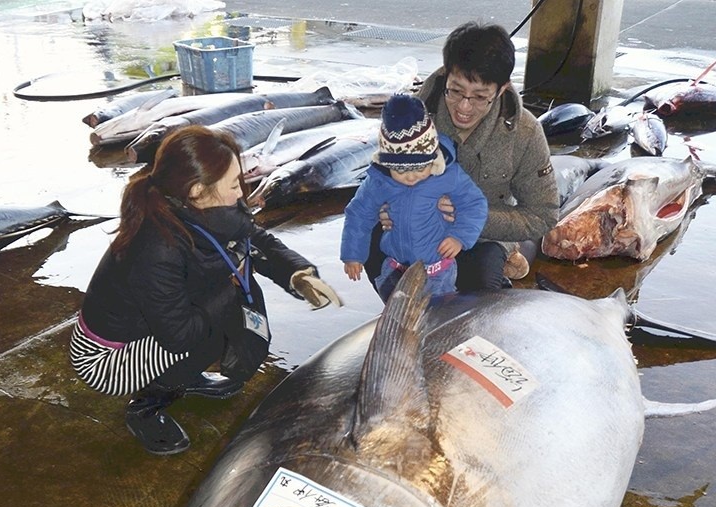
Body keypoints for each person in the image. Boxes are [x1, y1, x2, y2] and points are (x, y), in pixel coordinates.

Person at [69, 125, 341, 456]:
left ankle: (184, 376)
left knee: (229, 307)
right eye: (232, 184)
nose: (241, 193)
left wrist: (297, 274)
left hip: (155, 326)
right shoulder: (156, 247)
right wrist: (230, 289)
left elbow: (255, 238)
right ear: (198, 190)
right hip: (106, 357)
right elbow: (179, 336)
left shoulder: (201, 208)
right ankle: (146, 407)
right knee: (210, 332)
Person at [366, 22, 559, 292]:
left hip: (481, 238)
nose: (464, 107)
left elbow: (543, 216)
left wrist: (470, 216)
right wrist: (386, 209)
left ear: (502, 89)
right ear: (446, 75)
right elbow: (378, 180)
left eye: (480, 97)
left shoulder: (525, 132)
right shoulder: (410, 118)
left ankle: (508, 261)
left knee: (480, 289)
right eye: (455, 91)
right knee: (368, 242)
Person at [340, 94, 488, 303]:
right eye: (400, 170)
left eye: (419, 168)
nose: (410, 176)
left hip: (437, 271)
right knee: (397, 317)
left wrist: (459, 237)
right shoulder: (379, 181)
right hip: (395, 268)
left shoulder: (447, 175)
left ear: (431, 156)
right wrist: (353, 254)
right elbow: (358, 213)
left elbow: (475, 203)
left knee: (436, 317)